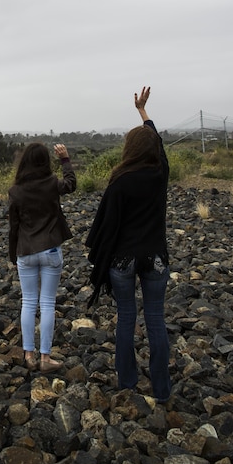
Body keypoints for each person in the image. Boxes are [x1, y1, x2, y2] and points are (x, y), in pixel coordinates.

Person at [85, 86, 171, 402]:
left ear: (129, 149)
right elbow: (157, 142)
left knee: (126, 317)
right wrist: (143, 112)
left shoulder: (120, 181)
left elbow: (105, 225)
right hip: (156, 258)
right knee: (156, 320)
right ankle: (161, 391)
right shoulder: (160, 173)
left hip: (122, 260)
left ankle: (128, 384)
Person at [8, 141, 76, 372]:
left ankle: (29, 355)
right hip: (50, 250)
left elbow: (13, 227)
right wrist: (65, 159)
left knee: (28, 302)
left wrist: (12, 254)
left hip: (25, 252)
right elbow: (71, 185)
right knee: (47, 303)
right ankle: (46, 358)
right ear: (45, 161)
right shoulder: (50, 184)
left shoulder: (15, 191)